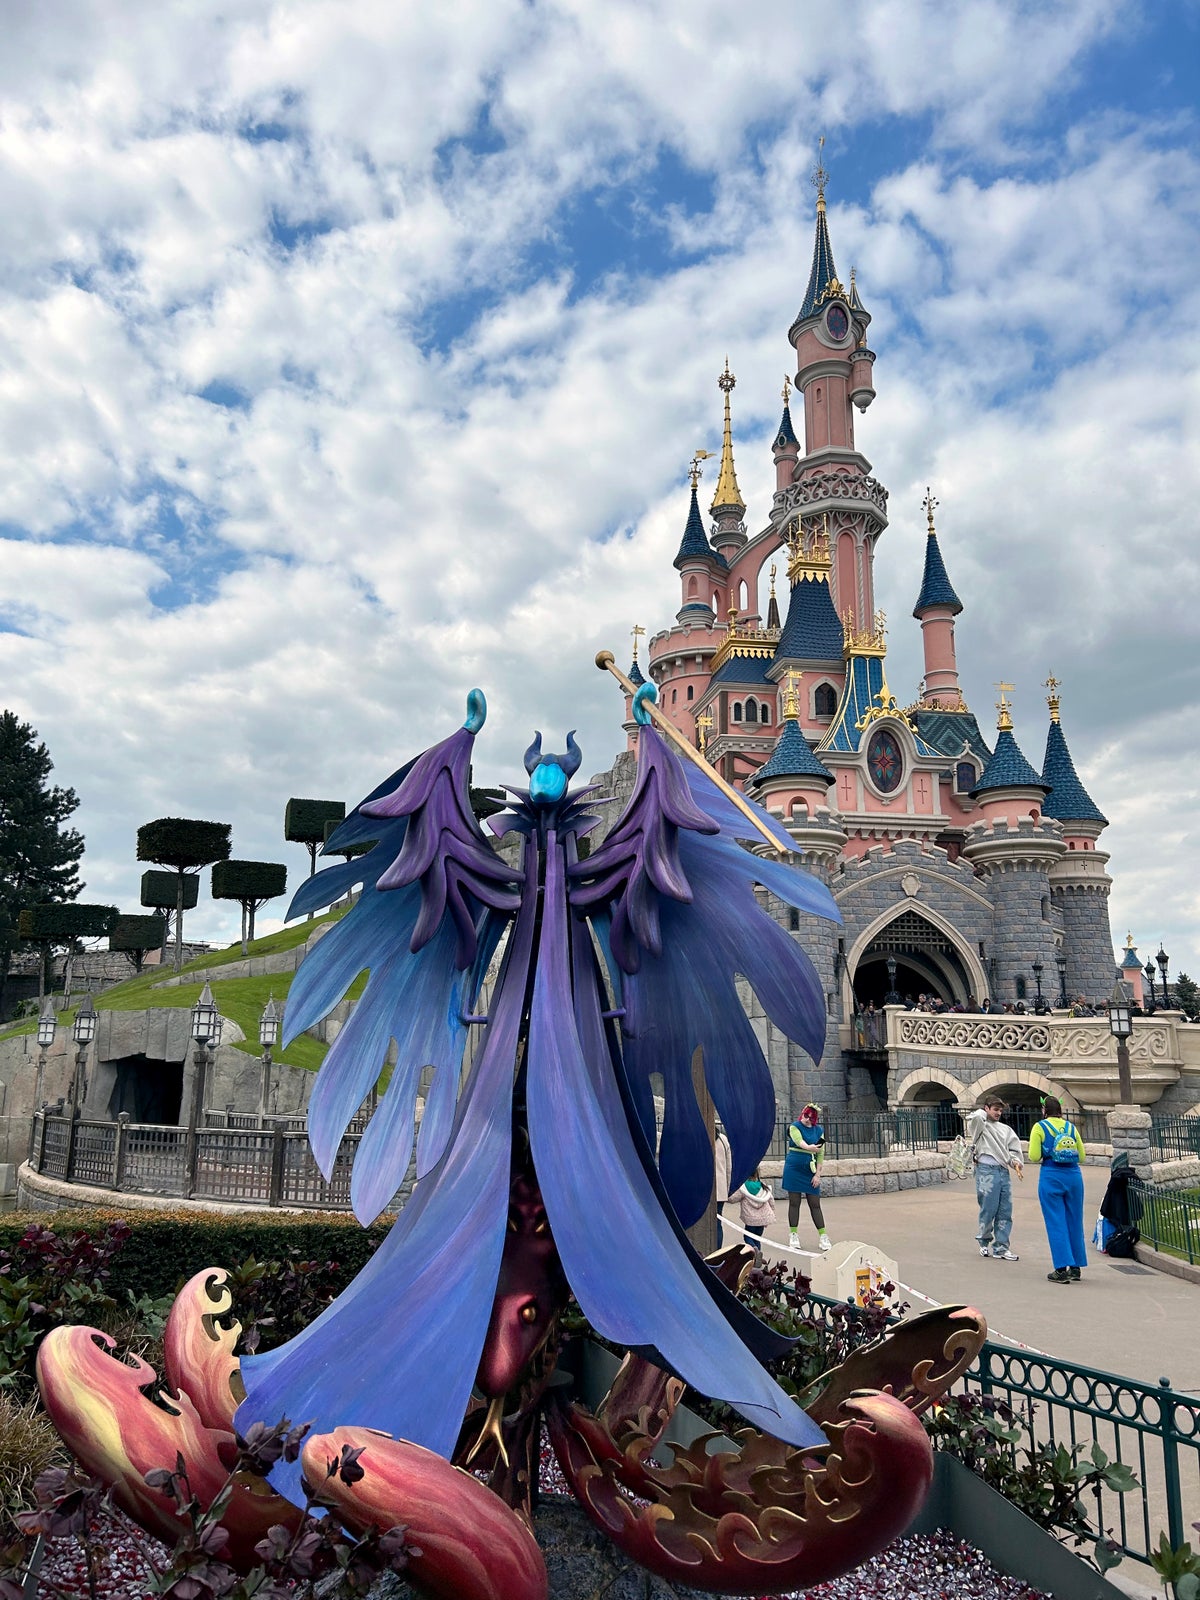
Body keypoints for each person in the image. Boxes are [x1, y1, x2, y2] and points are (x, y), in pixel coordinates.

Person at [1028, 1095, 1088, 1283]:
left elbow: (1034, 1156)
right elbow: (1082, 1156)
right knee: (1074, 1221)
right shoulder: (1071, 1128)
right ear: (1061, 1110)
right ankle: (1076, 1267)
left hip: (1051, 1176)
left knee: (1056, 1221)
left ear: (1044, 1110)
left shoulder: (1040, 1127)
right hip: (1074, 1177)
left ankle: (1061, 1269)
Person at [964, 1095, 1023, 1261]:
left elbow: (1013, 1149)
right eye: (995, 1109)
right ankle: (983, 1242)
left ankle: (1001, 1247)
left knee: (1005, 1210)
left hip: (1002, 1170)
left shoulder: (1005, 1129)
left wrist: (1016, 1162)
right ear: (987, 1109)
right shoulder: (980, 1126)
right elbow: (975, 1118)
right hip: (986, 1170)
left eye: (1000, 1110)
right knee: (988, 1208)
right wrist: (983, 1112)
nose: (998, 1113)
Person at [783, 1102, 831, 1252]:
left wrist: (818, 1174)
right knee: (794, 1202)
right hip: (794, 1168)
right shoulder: (794, 1126)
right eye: (805, 1115)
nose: (806, 1119)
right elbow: (798, 1141)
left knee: (815, 1203)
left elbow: (821, 1152)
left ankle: (823, 1236)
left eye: (810, 1117)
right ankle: (793, 1234)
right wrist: (809, 1147)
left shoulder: (820, 1131)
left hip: (810, 1170)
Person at [729, 1167, 776, 1255]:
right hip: (763, 1219)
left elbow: (733, 1199)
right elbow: (771, 1201)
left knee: (748, 1236)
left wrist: (727, 1196)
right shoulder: (763, 1186)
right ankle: (758, 1254)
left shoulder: (743, 1187)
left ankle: (754, 1252)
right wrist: (772, 1212)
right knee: (757, 1238)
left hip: (750, 1219)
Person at [713, 1125, 732, 1247]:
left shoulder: (695, 1137)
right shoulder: (722, 1139)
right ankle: (717, 1250)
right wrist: (727, 1188)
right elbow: (728, 1168)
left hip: (699, 1190)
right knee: (717, 1223)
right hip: (719, 1189)